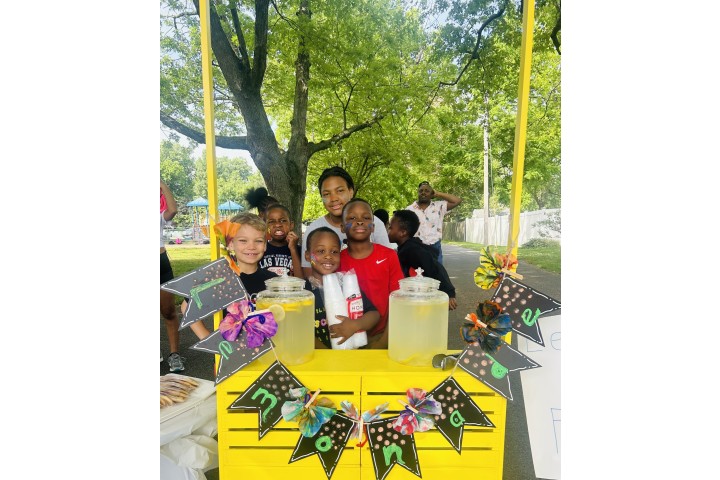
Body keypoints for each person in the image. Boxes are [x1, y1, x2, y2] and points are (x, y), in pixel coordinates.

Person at [182, 212, 278, 340]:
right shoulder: (219, 278)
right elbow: (186, 307)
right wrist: (209, 340)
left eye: (259, 241)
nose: (251, 246)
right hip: (230, 354)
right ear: (231, 243)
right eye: (243, 240)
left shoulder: (273, 280)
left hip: (267, 352)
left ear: (265, 245)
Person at [301, 166, 392, 278]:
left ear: (351, 192)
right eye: (326, 194)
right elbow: (309, 272)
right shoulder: (314, 229)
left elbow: (387, 263)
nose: (333, 198)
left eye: (340, 191)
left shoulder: (373, 223)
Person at [339, 198, 403, 349]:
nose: (359, 221)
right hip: (348, 338)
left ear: (373, 227)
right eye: (352, 218)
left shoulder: (389, 256)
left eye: (366, 217)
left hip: (381, 336)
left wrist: (383, 342)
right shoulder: (337, 261)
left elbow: (399, 302)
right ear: (342, 227)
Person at [304, 227, 380, 349]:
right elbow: (297, 329)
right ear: (308, 256)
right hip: (319, 361)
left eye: (334, 252)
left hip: (351, 357)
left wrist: (356, 325)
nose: (328, 256)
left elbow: (374, 314)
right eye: (320, 251)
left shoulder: (348, 285)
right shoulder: (303, 292)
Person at [388, 210, 458, 310]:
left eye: (390, 227)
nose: (388, 230)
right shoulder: (406, 247)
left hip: (422, 299)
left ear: (403, 232)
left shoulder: (412, 250)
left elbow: (435, 267)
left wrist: (449, 292)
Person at [160, 180, 185, 372]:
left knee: (168, 311)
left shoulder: (159, 215)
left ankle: (174, 354)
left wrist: (159, 182)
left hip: (159, 262)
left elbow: (173, 210)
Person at [406, 181, 462, 265]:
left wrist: (438, 193)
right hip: (415, 248)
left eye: (427, 191)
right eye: (421, 191)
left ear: (432, 193)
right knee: (416, 276)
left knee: (436, 276)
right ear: (418, 193)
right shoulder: (409, 209)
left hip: (434, 247)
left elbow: (457, 201)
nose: (423, 193)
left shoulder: (439, 206)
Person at [258, 203, 304, 279]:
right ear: (265, 226)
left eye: (283, 221)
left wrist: (293, 249)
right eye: (271, 221)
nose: (278, 225)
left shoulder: (300, 251)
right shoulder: (260, 249)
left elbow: (301, 280)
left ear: (291, 225)